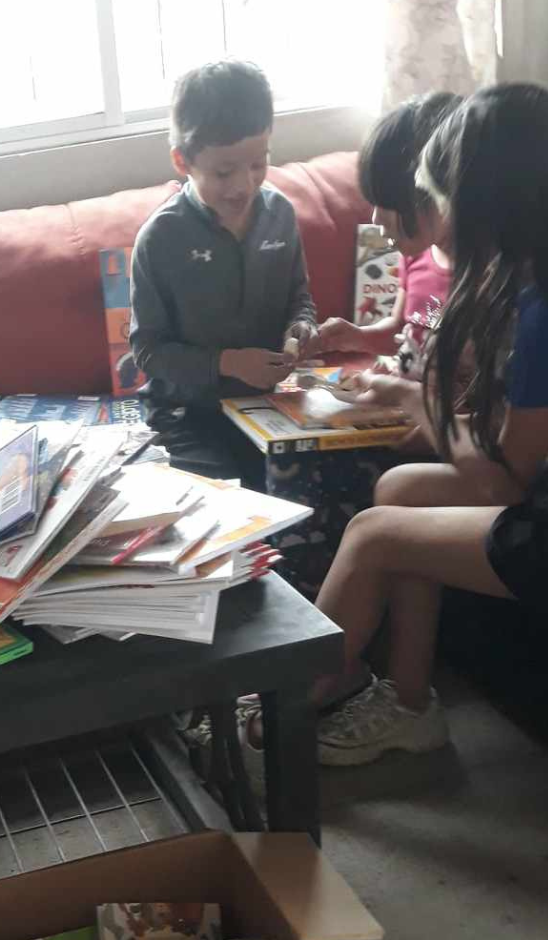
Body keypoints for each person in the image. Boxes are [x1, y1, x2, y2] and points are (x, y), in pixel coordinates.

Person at [310, 83, 548, 767]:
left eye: (439, 198)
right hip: (532, 492)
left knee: (374, 532)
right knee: (401, 491)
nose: (434, 219)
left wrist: (418, 405)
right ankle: (410, 704)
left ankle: (285, 700)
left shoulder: (537, 312)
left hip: (538, 524)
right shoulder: (523, 284)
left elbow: (509, 484)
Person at [129, 59, 318, 486]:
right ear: (183, 161)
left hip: (267, 406)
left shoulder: (280, 215)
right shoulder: (161, 237)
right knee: (220, 502)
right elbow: (147, 351)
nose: (244, 185)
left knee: (319, 487)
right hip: (186, 414)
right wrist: (228, 363)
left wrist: (301, 328)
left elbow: (299, 297)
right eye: (223, 171)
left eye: (258, 164)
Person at [315, 92, 461, 378]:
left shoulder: (488, 279)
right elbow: (399, 329)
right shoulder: (417, 256)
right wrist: (356, 336)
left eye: (389, 205)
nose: (375, 219)